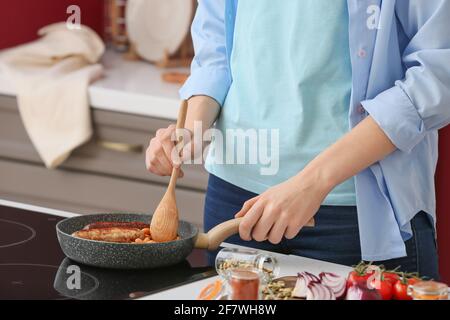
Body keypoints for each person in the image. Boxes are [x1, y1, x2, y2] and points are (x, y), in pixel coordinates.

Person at [146, 0, 450, 280]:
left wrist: (311, 182)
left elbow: (436, 76)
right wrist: (190, 130)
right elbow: (217, 45)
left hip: (355, 212)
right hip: (234, 200)